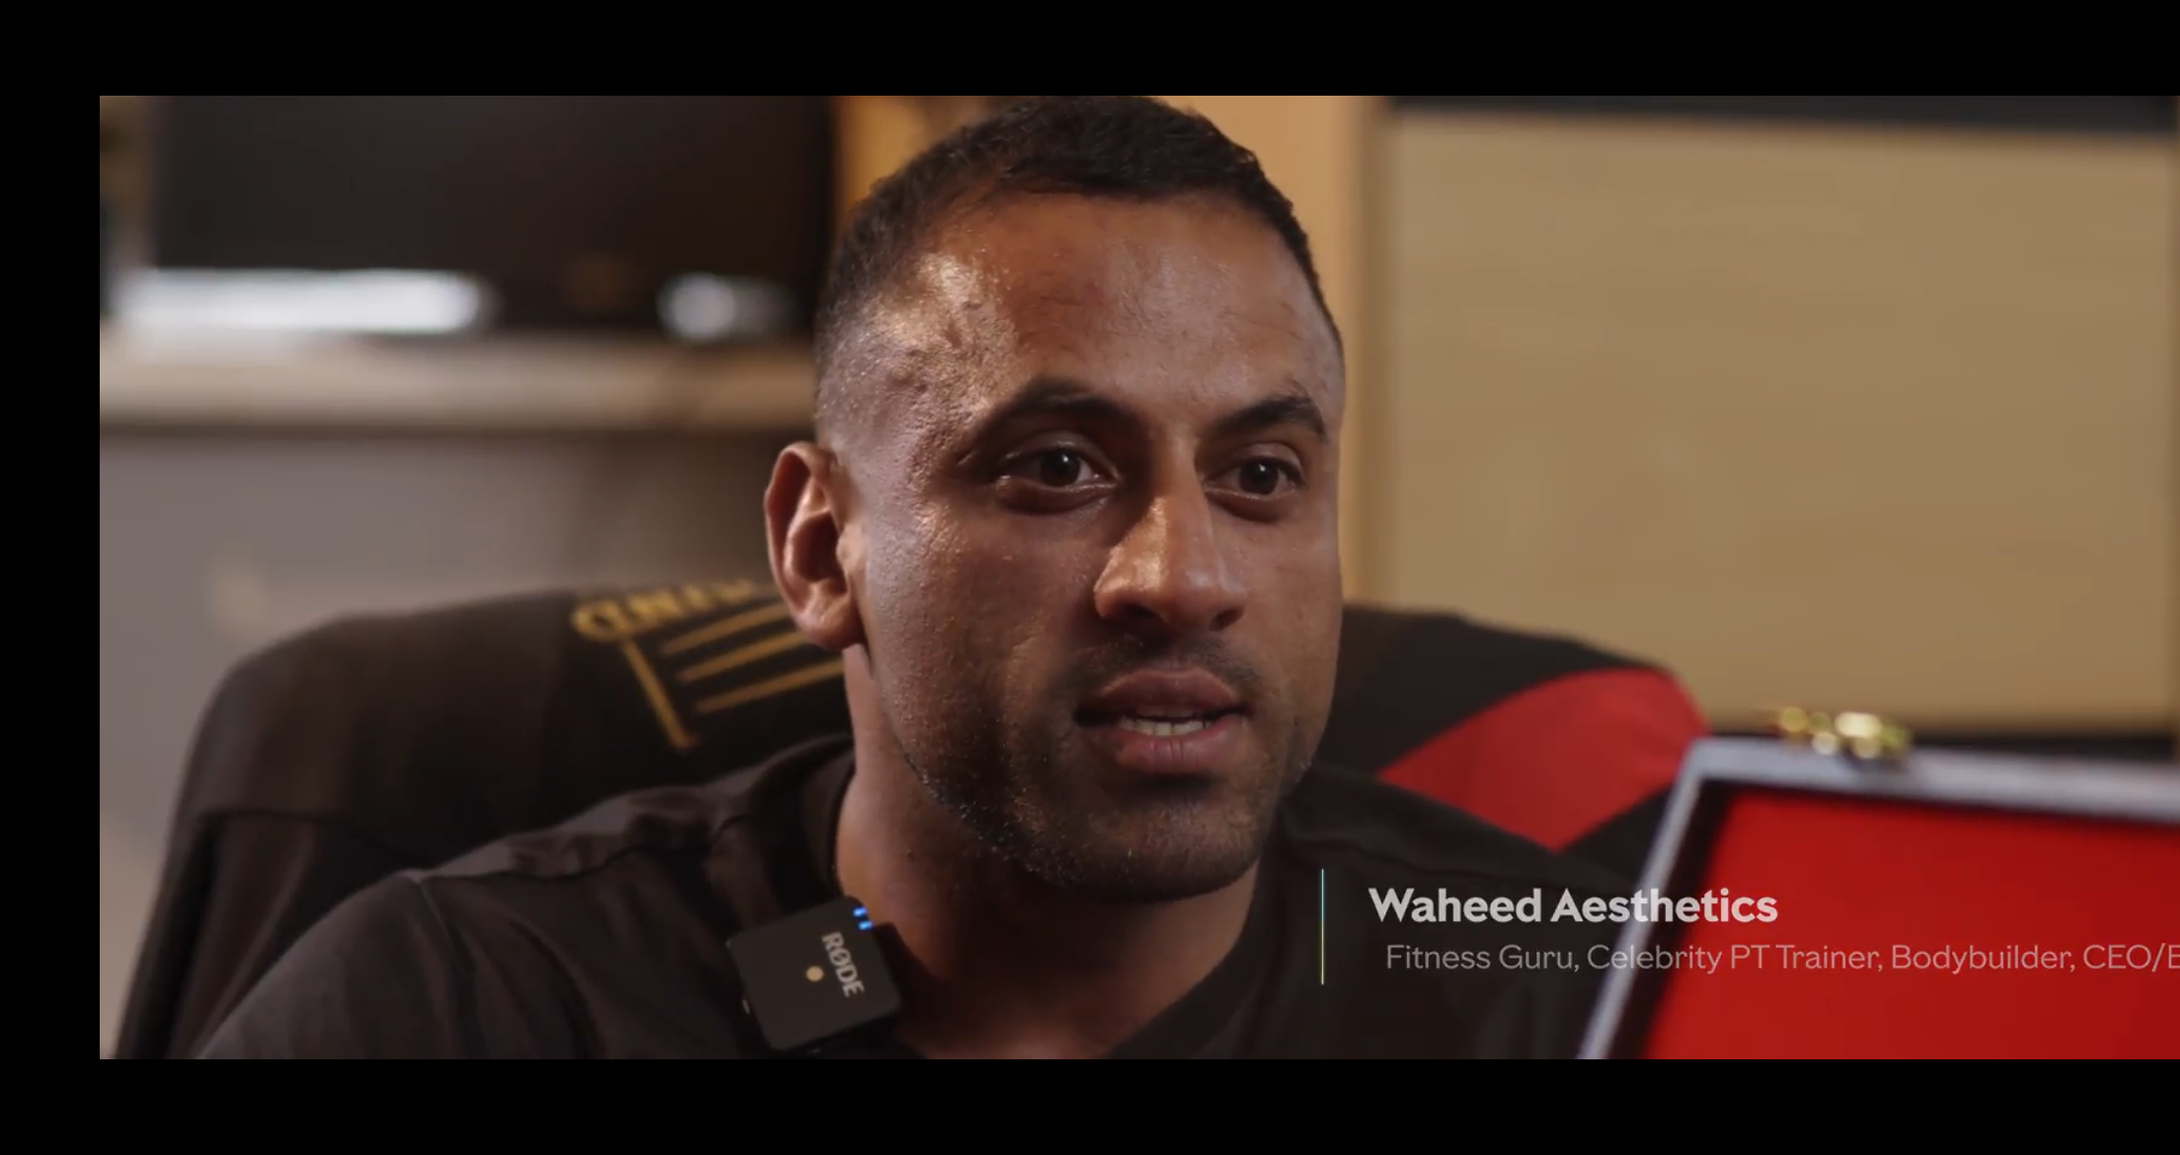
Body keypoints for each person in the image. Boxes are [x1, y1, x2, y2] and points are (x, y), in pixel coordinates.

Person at [198, 95, 1635, 1059]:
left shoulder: (1571, 995)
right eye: (1057, 467)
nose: (1184, 576)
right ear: (819, 547)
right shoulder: (460, 1004)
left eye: (1260, 476)